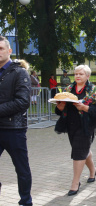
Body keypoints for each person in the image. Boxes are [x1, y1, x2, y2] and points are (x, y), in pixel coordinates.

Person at [55, 65, 96, 196]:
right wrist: (60, 108)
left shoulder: (93, 90)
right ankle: (93, 170)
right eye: (76, 74)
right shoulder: (68, 89)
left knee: (78, 151)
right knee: (83, 150)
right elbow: (59, 110)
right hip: (71, 124)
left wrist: (85, 108)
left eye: (81, 74)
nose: (77, 76)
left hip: (87, 125)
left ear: (87, 76)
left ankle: (75, 183)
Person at [0, 36, 32, 206]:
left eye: (1, 49)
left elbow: (22, 102)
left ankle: (26, 202)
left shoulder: (19, 72)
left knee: (22, 169)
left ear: (9, 51)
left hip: (14, 129)